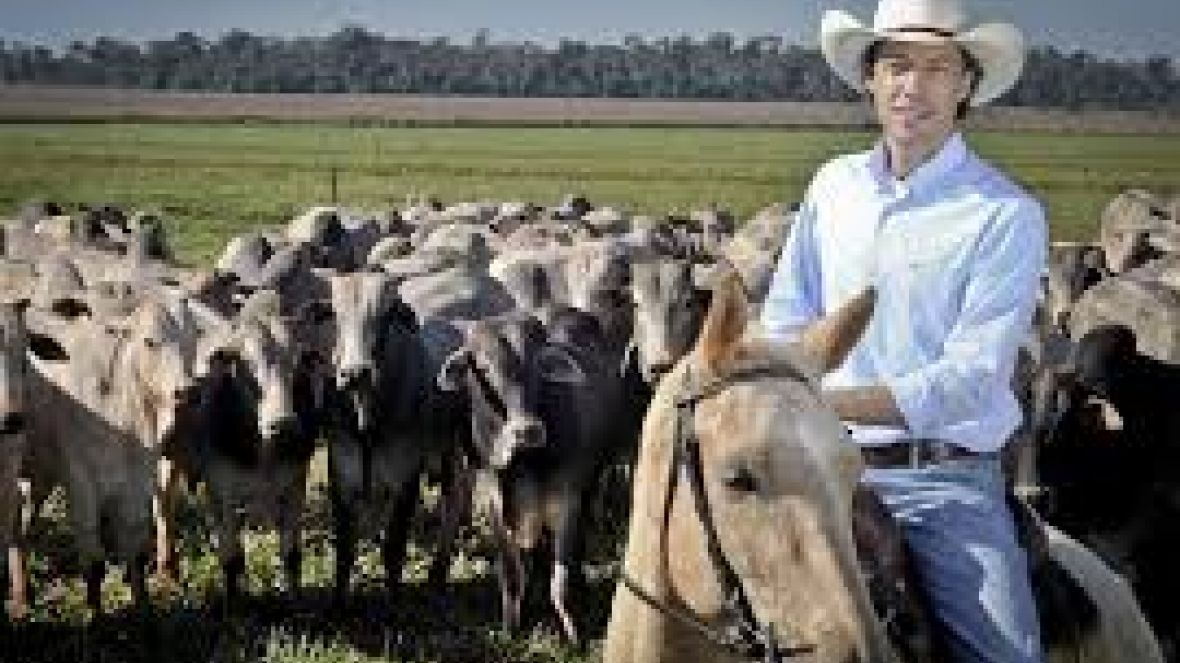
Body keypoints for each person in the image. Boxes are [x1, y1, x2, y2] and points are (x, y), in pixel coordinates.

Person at [761, 0, 1046, 661]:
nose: (911, 86)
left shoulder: (1005, 214)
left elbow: (969, 379)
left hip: (939, 484)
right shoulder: (833, 186)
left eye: (936, 68)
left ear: (967, 85)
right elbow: (785, 316)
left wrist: (825, 403)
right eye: (894, 65)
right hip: (815, 465)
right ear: (869, 78)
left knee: (1006, 653)